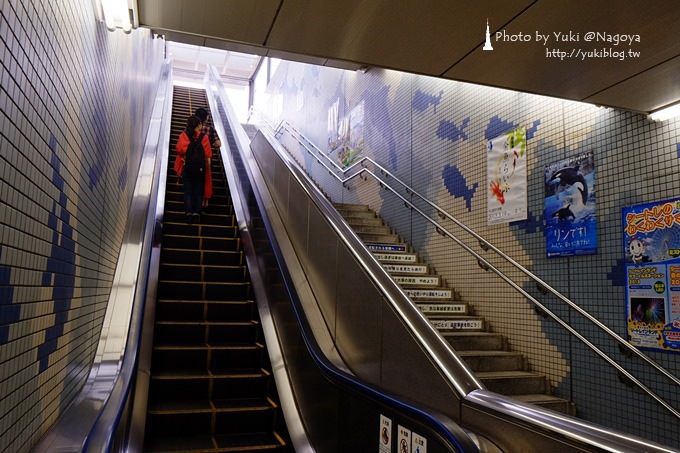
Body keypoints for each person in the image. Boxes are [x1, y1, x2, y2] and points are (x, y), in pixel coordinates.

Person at [174, 115, 212, 223]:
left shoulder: (183, 135)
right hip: (200, 169)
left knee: (188, 191)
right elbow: (208, 154)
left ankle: (188, 213)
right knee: (198, 191)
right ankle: (197, 213)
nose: (201, 126)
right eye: (200, 124)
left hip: (187, 167)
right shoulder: (204, 137)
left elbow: (178, 149)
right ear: (198, 125)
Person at [195, 108, 221, 211]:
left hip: (193, 160)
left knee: (194, 180)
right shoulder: (210, 129)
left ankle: (194, 203)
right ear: (206, 118)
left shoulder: (192, 128)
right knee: (206, 179)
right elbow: (218, 144)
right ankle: (204, 202)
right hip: (206, 160)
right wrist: (210, 143)